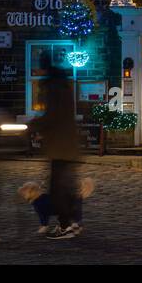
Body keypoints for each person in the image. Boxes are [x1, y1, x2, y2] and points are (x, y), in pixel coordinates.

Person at [32, 60, 81, 239]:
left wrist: (32, 125)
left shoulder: (53, 90)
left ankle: (65, 226)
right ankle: (73, 223)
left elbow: (51, 117)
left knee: (57, 189)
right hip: (68, 145)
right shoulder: (65, 88)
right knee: (66, 188)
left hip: (59, 146)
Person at [18, 177, 94, 236]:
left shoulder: (38, 203)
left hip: (66, 202)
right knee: (74, 213)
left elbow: (43, 215)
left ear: (31, 192)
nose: (22, 189)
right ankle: (76, 227)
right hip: (67, 200)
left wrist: (44, 226)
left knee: (73, 214)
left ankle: (74, 227)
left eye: (24, 188)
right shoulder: (39, 199)